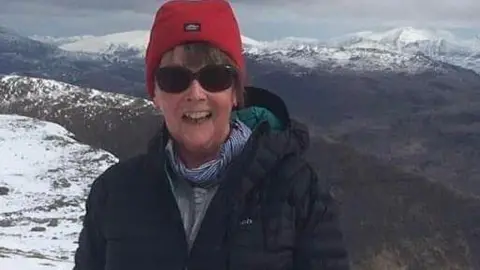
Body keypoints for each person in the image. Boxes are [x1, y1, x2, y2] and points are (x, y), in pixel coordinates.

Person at [73, 0, 350, 269]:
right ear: (155, 94)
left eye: (215, 77)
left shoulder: (296, 190)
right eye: (174, 79)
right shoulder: (114, 193)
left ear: (235, 93)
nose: (195, 94)